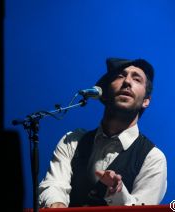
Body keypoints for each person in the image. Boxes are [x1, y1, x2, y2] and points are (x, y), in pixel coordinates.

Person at [38, 57, 167, 208]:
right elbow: (54, 184)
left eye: (137, 79)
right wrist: (57, 205)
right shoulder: (72, 141)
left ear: (146, 100)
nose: (127, 82)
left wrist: (118, 194)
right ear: (104, 94)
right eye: (120, 76)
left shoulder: (153, 158)